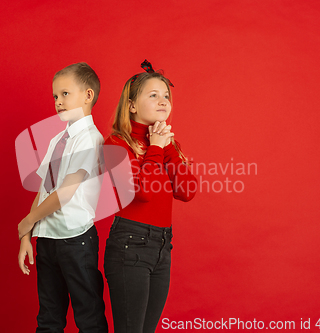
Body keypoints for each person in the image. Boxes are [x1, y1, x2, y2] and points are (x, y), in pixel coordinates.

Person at [103, 60, 198, 333]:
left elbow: (187, 191)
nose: (163, 101)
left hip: (162, 246)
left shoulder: (166, 144)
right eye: (153, 95)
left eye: (166, 95)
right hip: (130, 246)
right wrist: (156, 147)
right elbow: (142, 193)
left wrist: (166, 148)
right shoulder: (116, 143)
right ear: (131, 105)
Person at [17, 62, 108, 333]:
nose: (58, 102)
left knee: (88, 315)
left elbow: (66, 192)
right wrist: (28, 234)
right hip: (47, 240)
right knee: (49, 317)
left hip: (75, 241)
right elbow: (45, 188)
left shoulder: (90, 139)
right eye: (55, 96)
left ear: (88, 95)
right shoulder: (57, 139)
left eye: (65, 94)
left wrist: (28, 220)